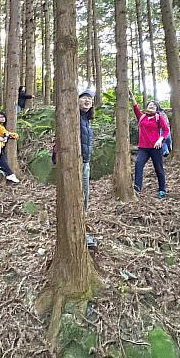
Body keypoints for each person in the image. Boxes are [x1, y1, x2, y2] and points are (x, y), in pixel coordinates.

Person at [131, 92, 170, 197]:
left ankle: (162, 189)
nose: (152, 106)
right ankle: (137, 188)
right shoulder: (142, 117)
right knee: (138, 165)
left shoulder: (158, 118)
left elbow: (166, 130)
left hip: (155, 147)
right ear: (147, 107)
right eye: (150, 105)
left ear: (156, 108)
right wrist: (133, 99)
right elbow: (136, 109)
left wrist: (160, 139)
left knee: (158, 168)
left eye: (154, 105)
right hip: (143, 147)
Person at [77, 90, 97, 248]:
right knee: (80, 196)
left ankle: (82, 227)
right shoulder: (74, 116)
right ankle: (80, 231)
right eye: (84, 98)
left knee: (85, 197)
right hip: (76, 162)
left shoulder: (86, 120)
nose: (87, 101)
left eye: (89, 99)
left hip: (85, 162)